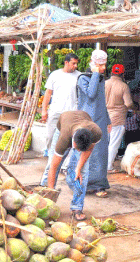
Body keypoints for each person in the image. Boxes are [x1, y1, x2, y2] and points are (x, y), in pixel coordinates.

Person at [45, 110, 103, 221]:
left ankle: (77, 207)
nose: (78, 151)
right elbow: (54, 167)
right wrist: (51, 192)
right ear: (74, 143)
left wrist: (78, 169)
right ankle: (45, 198)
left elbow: (88, 150)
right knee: (51, 165)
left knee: (83, 172)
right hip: (64, 123)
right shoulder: (64, 138)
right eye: (78, 149)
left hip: (82, 120)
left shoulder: (95, 132)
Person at [72, 49, 112, 197]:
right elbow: (91, 93)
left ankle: (99, 185)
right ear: (94, 64)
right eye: (100, 65)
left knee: (101, 153)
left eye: (104, 65)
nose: (103, 68)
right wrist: (95, 73)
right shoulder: (84, 78)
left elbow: (102, 102)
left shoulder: (100, 78)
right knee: (86, 152)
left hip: (101, 121)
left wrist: (107, 120)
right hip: (87, 121)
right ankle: (81, 183)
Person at [41, 53, 80, 157]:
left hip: (71, 113)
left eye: (76, 63)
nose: (75, 66)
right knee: (50, 136)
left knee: (68, 139)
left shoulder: (79, 76)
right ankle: (50, 157)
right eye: (73, 63)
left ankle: (65, 163)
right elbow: (48, 93)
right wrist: (44, 110)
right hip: (55, 112)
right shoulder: (55, 75)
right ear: (66, 62)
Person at [105, 64, 133, 171]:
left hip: (104, 117)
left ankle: (102, 166)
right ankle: (108, 167)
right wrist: (135, 107)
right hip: (117, 119)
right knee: (113, 144)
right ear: (123, 74)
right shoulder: (123, 86)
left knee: (104, 143)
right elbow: (128, 103)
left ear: (111, 72)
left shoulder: (104, 83)